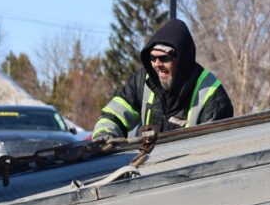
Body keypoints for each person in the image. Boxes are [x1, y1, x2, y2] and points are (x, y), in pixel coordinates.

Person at [92, 18, 233, 139]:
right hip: (146, 166)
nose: (157, 64)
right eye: (152, 58)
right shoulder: (142, 80)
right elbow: (112, 116)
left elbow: (212, 151)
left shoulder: (213, 96)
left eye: (164, 58)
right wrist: (104, 137)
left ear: (182, 59)